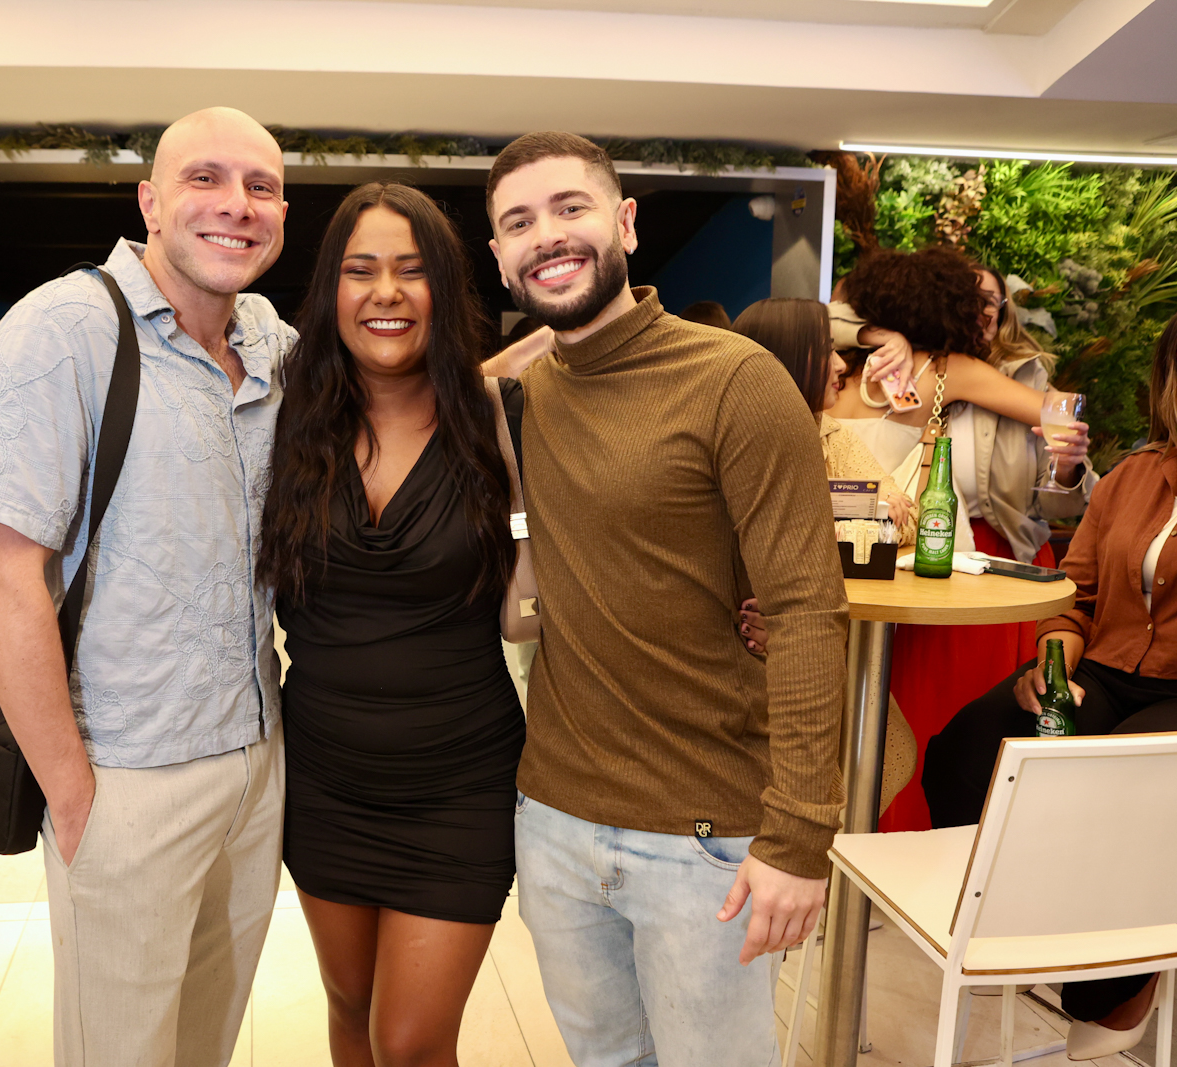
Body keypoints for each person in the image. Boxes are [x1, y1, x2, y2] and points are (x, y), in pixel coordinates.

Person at [483, 131, 847, 1066]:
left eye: (571, 207)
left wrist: (800, 834)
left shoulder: (734, 380)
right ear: (500, 256)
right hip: (554, 818)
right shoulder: (525, 397)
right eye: (519, 223)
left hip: (704, 835)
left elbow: (806, 611)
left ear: (627, 222)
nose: (547, 235)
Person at [0, 107, 293, 1067]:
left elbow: (401, 391)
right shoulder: (65, 327)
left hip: (256, 759)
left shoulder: (269, 338)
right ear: (149, 201)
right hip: (125, 772)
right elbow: (0, 575)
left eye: (261, 187)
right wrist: (73, 792)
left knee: (206, 1040)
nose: (236, 205)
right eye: (205, 179)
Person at [257, 182, 524, 1066]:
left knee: (409, 1040)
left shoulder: (498, 417)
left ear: (444, 288)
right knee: (351, 1003)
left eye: (412, 271)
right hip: (324, 776)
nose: (386, 292)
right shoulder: (282, 418)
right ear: (330, 290)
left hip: (460, 780)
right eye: (360, 270)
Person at [923, 310, 1177, 1061]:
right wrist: (1052, 662)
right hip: (1106, 666)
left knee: (1121, 789)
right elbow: (1078, 594)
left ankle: (1116, 981)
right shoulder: (1135, 476)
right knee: (975, 745)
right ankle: (1015, 927)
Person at [829, 247, 1092, 830]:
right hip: (903, 562)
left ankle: (841, 840)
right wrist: (1069, 439)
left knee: (848, 711)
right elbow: (1055, 411)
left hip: (837, 560)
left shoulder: (836, 371)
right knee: (908, 707)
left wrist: (875, 335)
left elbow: (817, 313)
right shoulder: (945, 369)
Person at [732, 297, 914, 542]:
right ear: (786, 358)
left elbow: (907, 517)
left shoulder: (832, 434)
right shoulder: (731, 439)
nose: (840, 364)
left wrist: (849, 523)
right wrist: (857, 511)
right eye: (826, 351)